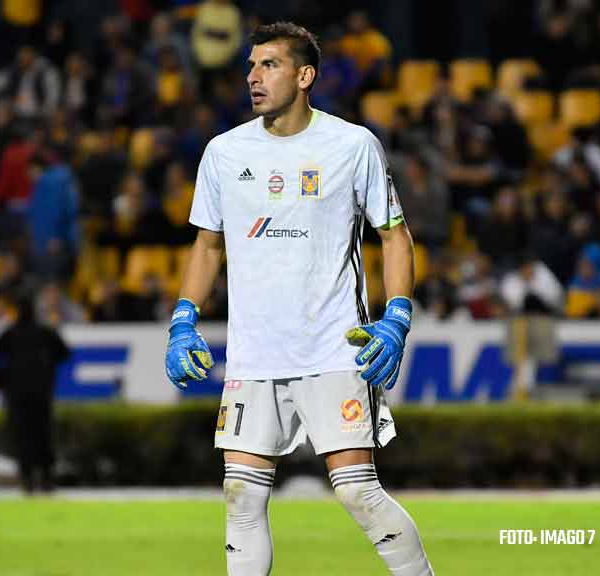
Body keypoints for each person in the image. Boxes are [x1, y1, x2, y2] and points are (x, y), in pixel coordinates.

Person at [163, 22, 434, 576]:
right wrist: (182, 319)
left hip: (333, 347)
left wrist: (398, 315)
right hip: (253, 352)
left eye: (268, 65)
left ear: (305, 75)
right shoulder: (223, 151)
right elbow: (207, 246)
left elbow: (394, 233)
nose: (252, 77)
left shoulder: (352, 145)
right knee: (240, 495)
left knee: (359, 493)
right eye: (250, 66)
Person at [0, 291, 70, 494]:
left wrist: (2, 379)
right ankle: (46, 478)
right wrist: (47, 369)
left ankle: (27, 480)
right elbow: (64, 353)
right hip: (41, 391)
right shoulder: (44, 332)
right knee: (42, 434)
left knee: (22, 434)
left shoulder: (9, 334)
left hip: (16, 392)